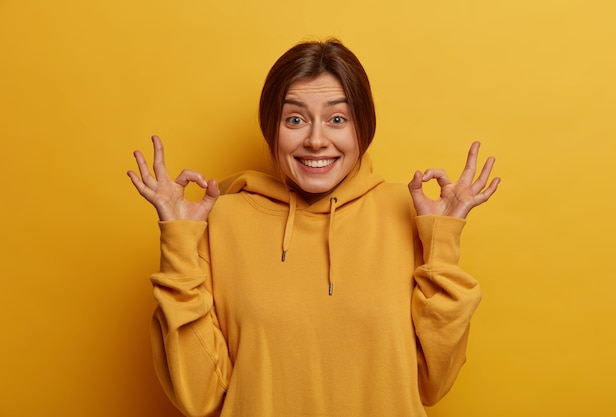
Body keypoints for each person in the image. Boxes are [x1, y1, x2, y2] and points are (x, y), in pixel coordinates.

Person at [128, 39, 500, 417]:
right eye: (295, 119)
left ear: (364, 127)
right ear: (272, 128)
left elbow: (433, 383)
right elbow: (200, 396)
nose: (317, 140)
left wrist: (442, 240)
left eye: (337, 119)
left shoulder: (410, 211)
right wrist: (178, 240)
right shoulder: (220, 220)